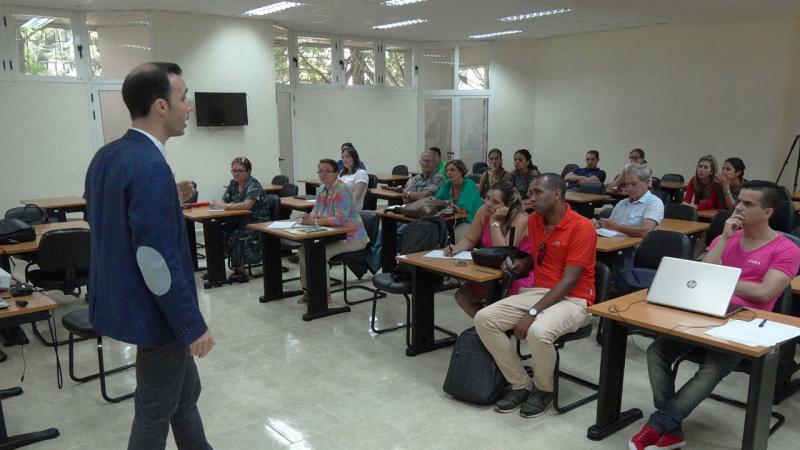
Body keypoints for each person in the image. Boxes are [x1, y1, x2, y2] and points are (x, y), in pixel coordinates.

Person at [84, 62, 214, 450]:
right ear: (161, 105)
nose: (188, 106)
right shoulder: (150, 165)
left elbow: (110, 217)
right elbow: (154, 259)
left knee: (184, 396)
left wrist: (167, 200)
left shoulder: (107, 156)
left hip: (126, 303)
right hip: (158, 315)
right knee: (155, 410)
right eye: (183, 97)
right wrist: (192, 324)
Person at [630, 180, 800, 450]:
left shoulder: (787, 249)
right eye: (739, 201)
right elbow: (701, 275)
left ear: (767, 212)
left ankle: (659, 424)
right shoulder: (726, 236)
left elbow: (765, 292)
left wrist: (720, 280)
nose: (738, 208)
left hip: (745, 324)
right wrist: (724, 240)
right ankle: (671, 428)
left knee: (712, 367)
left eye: (748, 204)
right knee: (657, 350)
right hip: (705, 311)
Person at [474, 173, 596, 418]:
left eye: (538, 192)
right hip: (540, 291)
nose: (531, 197)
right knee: (484, 318)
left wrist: (533, 312)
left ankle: (544, 389)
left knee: (538, 332)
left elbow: (570, 279)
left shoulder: (582, 227)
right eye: (530, 192)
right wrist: (524, 264)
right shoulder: (535, 221)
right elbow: (541, 256)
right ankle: (520, 384)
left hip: (575, 298)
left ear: (557, 194)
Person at [443, 181, 533, 317]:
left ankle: (494, 327)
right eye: (487, 198)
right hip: (491, 269)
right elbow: (470, 239)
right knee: (463, 296)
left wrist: (494, 221)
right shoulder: (483, 211)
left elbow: (502, 252)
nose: (488, 204)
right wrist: (456, 248)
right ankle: (487, 328)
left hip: (517, 272)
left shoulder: (520, 218)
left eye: (495, 202)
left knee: (496, 304)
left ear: (507, 206)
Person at [298, 159, 369, 303]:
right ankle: (309, 291)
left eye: (326, 171)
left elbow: (339, 220)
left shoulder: (342, 189)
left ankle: (324, 294)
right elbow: (315, 210)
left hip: (353, 238)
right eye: (320, 171)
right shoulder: (322, 189)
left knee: (320, 253)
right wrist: (308, 217)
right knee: (303, 250)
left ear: (336, 173)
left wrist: (315, 221)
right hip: (333, 235)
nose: (322, 174)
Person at [213, 156, 272, 283]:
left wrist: (225, 206)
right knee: (217, 231)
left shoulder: (253, 184)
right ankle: (216, 270)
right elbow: (224, 199)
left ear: (248, 172)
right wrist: (218, 204)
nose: (236, 173)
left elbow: (247, 205)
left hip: (256, 223)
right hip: (239, 220)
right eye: (233, 170)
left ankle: (240, 270)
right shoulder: (233, 184)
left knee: (237, 235)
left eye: (239, 170)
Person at [593, 164, 663, 268]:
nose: (629, 188)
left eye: (634, 184)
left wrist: (614, 226)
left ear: (647, 182)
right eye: (627, 184)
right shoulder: (622, 203)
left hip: (633, 253)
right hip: (613, 247)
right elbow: (610, 226)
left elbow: (646, 231)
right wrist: (599, 224)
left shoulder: (654, 203)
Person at [435, 159, 483, 224]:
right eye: (447, 170)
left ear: (461, 171)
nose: (449, 173)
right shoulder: (447, 184)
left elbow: (464, 209)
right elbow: (436, 200)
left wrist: (446, 205)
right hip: (453, 219)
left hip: (471, 220)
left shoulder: (469, 184)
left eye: (452, 170)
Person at [338, 146, 369, 210]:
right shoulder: (342, 173)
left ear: (354, 158)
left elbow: (355, 197)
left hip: (352, 211)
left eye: (347, 156)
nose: (344, 159)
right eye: (343, 157)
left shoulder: (361, 173)